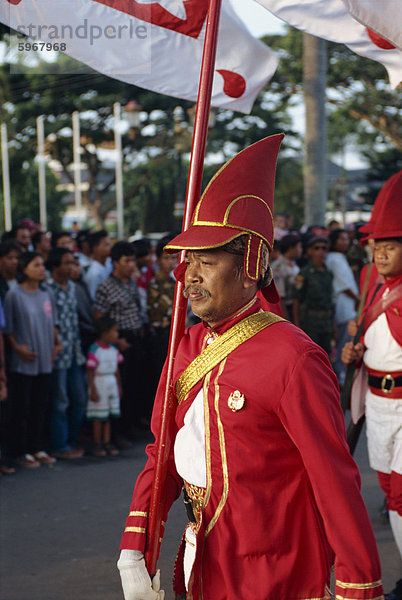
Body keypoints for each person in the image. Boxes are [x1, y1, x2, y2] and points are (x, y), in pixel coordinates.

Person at [117, 136, 384, 600]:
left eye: (207, 260)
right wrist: (136, 542)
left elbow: (334, 480)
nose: (190, 276)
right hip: (204, 557)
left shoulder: (293, 357)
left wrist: (358, 583)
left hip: (276, 571)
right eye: (187, 261)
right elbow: (162, 450)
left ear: (251, 265)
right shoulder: (187, 344)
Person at [341, 170, 402, 600]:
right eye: (376, 245)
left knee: (399, 492)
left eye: (391, 245)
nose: (380, 253)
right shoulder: (368, 283)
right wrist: (351, 351)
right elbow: (364, 335)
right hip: (375, 400)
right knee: (387, 490)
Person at [3, 252, 62, 468]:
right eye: (36, 265)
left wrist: (57, 344)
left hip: (45, 359)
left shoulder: (47, 293)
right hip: (23, 361)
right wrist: (18, 348)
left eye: (42, 265)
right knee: (21, 408)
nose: (41, 269)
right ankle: (21, 452)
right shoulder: (14, 295)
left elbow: (53, 323)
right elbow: (7, 328)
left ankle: (37, 448)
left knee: (41, 406)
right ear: (24, 268)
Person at [94, 241, 145, 442]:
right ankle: (116, 433)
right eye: (127, 261)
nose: (131, 264)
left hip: (135, 337)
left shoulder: (131, 282)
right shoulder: (106, 286)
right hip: (117, 340)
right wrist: (114, 341)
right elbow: (98, 317)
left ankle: (130, 426)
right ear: (115, 263)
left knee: (134, 384)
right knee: (119, 387)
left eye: (133, 260)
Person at [47, 248, 87, 460]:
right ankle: (59, 445)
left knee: (79, 398)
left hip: (75, 351)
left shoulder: (72, 286)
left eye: (73, 262)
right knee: (60, 401)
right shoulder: (47, 288)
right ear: (55, 266)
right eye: (66, 263)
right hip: (58, 354)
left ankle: (71, 440)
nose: (71, 267)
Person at [326, 228, 360, 386]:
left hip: (347, 307)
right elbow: (343, 285)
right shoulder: (333, 259)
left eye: (347, 239)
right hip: (343, 308)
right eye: (341, 239)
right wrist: (358, 298)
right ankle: (340, 379)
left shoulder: (339, 257)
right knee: (342, 345)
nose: (345, 242)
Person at [86, 317, 123, 457]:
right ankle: (97, 443)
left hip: (111, 383)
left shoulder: (113, 349)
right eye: (115, 331)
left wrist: (119, 386)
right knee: (98, 416)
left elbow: (116, 370)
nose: (117, 334)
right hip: (99, 383)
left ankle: (106, 441)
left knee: (107, 415)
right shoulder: (95, 349)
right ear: (104, 333)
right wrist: (93, 389)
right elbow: (90, 370)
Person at [292, 236, 334, 355]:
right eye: (317, 248)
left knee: (327, 354)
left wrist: (333, 325)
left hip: (326, 323)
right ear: (310, 251)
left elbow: (329, 300)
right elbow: (296, 299)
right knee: (312, 354)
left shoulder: (328, 273)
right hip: (310, 323)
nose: (321, 251)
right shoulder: (304, 273)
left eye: (324, 248)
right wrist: (296, 324)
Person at [147, 236, 179, 389]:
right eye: (166, 258)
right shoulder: (155, 283)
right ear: (158, 260)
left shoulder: (177, 280)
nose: (171, 262)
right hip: (162, 334)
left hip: (177, 332)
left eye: (174, 258)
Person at [271, 233, 302, 321]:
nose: (301, 250)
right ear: (291, 248)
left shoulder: (294, 265)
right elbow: (280, 298)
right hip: (288, 310)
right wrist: (286, 320)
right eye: (299, 247)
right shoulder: (278, 268)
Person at [84, 230, 112, 300]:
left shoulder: (108, 264)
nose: (110, 247)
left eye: (110, 244)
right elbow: (94, 298)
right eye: (106, 245)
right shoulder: (94, 273)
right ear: (95, 248)